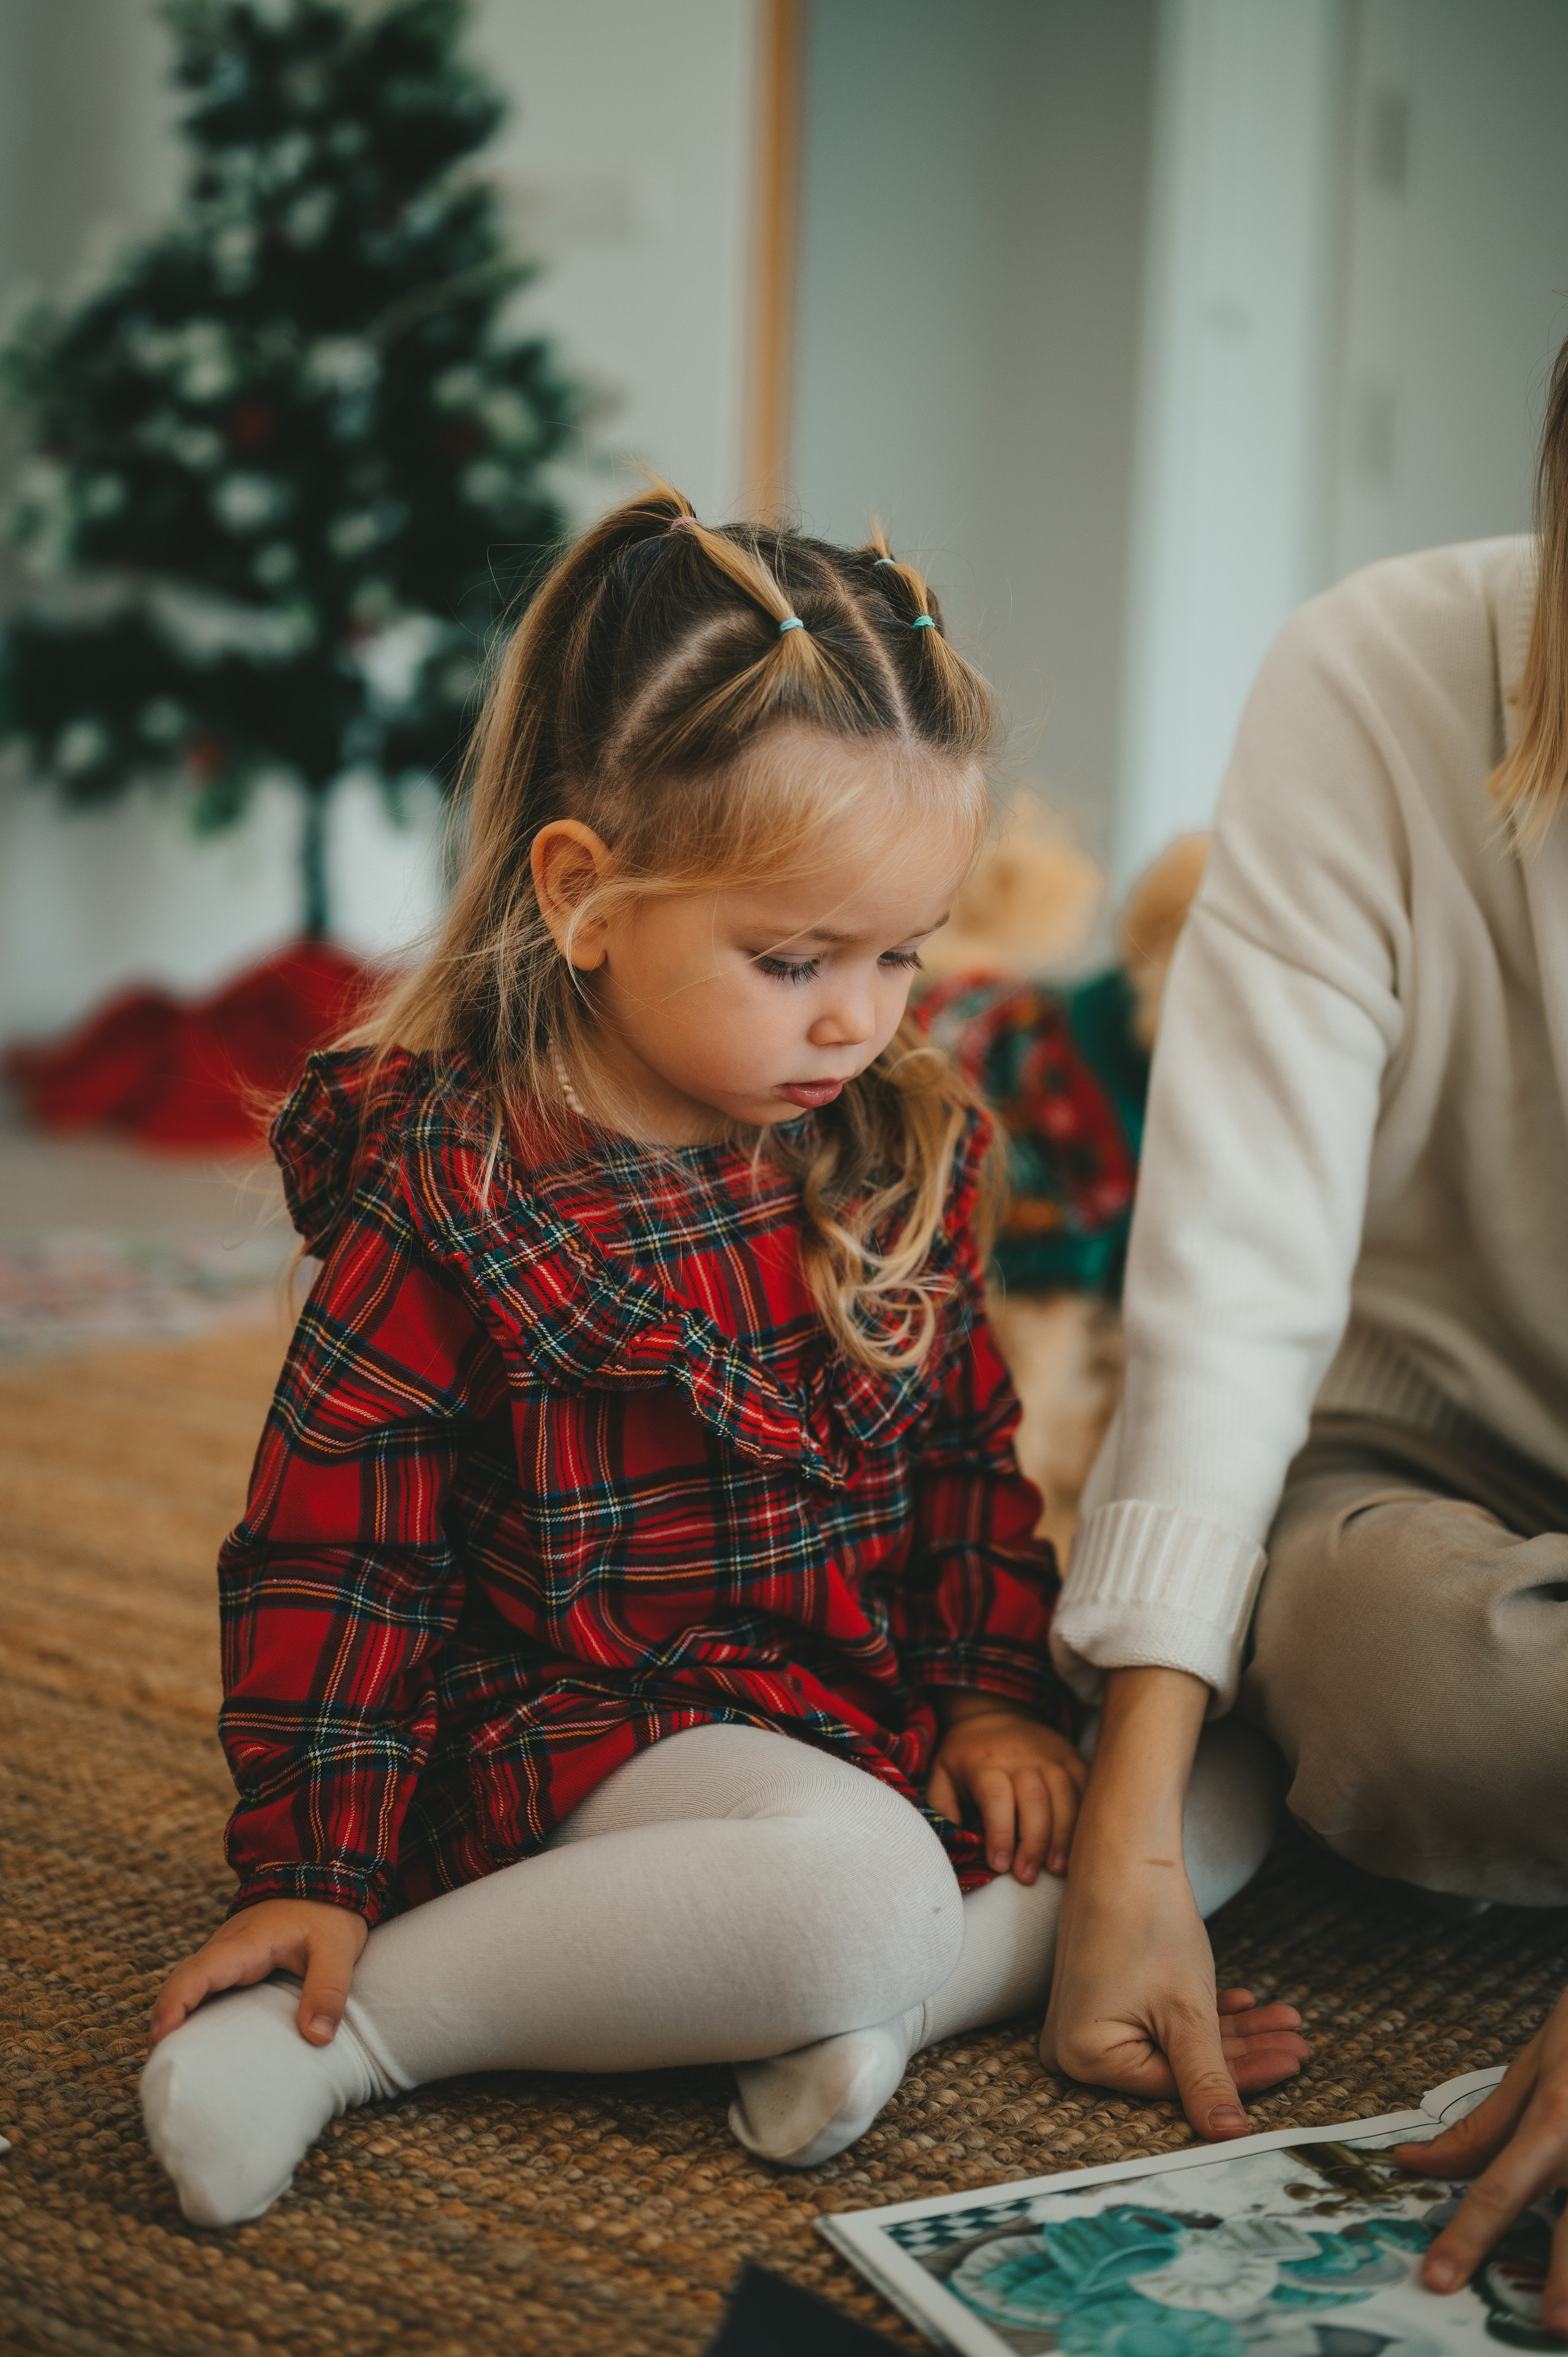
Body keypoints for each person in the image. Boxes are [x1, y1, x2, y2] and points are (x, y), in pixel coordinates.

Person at [138, 487, 1295, 2229]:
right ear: (588, 898)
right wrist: (312, 1869)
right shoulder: (462, 1189)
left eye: (902, 952)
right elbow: (339, 1552)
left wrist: (992, 1696)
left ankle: (862, 2013)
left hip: (856, 1701)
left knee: (1223, 1757)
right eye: (794, 958)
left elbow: (969, 1459)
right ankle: (364, 2036)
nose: (861, 1015)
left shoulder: (890, 1139)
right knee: (860, 1888)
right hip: (591, 1731)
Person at [1045, 335, 1568, 2336]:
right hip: (1425, 1480)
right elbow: (1235, 1268)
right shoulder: (1373, 675)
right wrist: (1128, 1808)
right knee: (1411, 1685)